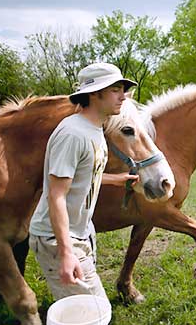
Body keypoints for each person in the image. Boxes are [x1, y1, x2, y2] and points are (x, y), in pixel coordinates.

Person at [29, 63, 140, 300]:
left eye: (123, 89)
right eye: (115, 90)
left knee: (87, 310)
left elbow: (84, 174)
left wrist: (116, 179)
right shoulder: (72, 134)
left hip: (81, 231)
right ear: (94, 93)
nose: (124, 96)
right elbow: (56, 195)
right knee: (91, 311)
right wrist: (66, 252)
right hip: (56, 237)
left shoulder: (95, 128)